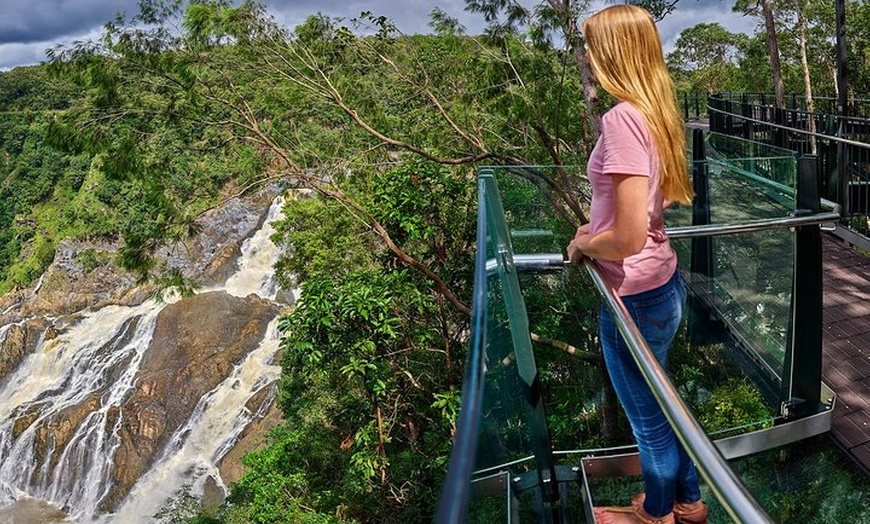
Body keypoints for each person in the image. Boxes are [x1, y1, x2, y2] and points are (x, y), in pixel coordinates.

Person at [565, 5, 709, 524]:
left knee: (648, 422)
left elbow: (625, 238)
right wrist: (600, 227)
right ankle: (689, 504)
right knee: (664, 408)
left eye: (591, 44)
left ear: (613, 51)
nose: (586, 54)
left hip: (633, 297)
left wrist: (585, 244)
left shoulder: (621, 117)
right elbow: (659, 201)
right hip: (662, 284)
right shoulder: (654, 111)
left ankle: (656, 514)